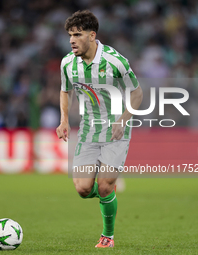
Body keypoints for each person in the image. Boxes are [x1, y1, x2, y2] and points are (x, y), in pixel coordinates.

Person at [56, 10, 143, 248]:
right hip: (88, 129)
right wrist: (64, 120)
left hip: (116, 128)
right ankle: (108, 192)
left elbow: (137, 93)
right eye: (70, 35)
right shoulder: (67, 63)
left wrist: (124, 119)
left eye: (77, 34)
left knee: (104, 185)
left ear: (92, 35)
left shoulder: (115, 61)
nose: (72, 40)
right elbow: (65, 91)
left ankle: (108, 235)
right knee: (83, 189)